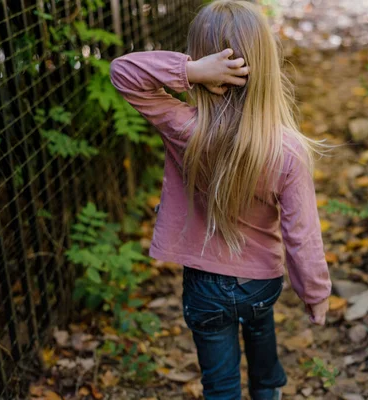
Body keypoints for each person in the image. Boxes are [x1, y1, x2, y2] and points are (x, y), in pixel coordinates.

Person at [110, 1, 332, 398]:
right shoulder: (287, 151)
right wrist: (315, 295)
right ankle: (268, 389)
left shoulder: (185, 129)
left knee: (220, 384)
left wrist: (190, 72)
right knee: (261, 334)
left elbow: (123, 72)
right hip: (261, 283)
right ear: (266, 62)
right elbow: (302, 235)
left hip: (204, 287)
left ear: (205, 57)